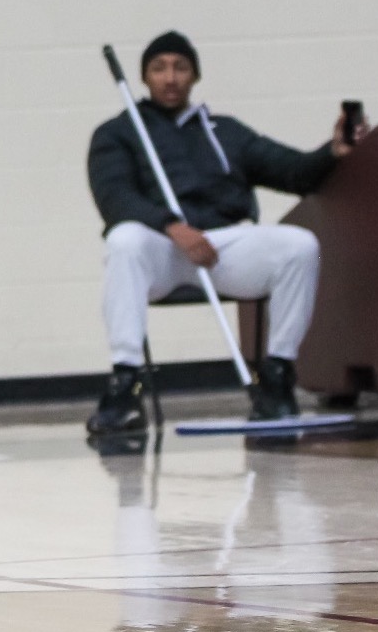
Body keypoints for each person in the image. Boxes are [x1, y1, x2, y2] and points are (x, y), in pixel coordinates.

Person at [85, 31, 358, 433]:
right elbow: (115, 199)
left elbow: (293, 171)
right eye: (159, 68)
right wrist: (172, 227)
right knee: (123, 239)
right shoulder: (117, 133)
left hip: (222, 248)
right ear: (144, 78)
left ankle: (278, 376)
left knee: (301, 245)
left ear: (195, 75)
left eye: (180, 67)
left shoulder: (224, 131)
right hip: (160, 252)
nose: (170, 77)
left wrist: (332, 151)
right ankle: (125, 384)